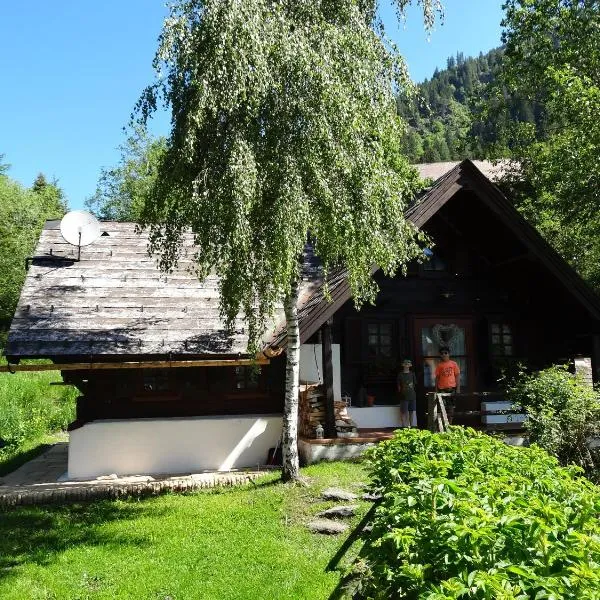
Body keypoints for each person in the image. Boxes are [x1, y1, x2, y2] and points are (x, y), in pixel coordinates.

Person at [434, 346, 461, 424]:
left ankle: (450, 424)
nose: (444, 355)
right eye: (442, 353)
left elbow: (457, 375)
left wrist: (458, 388)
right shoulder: (439, 365)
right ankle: (444, 424)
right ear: (440, 355)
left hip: (452, 388)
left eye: (446, 353)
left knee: (451, 406)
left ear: (449, 354)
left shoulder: (454, 364)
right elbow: (437, 378)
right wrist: (436, 389)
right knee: (443, 407)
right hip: (442, 388)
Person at [397, 358, 418, 428]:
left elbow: (414, 384)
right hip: (403, 396)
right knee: (404, 411)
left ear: (410, 365)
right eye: (405, 363)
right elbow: (399, 386)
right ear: (403, 365)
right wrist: (401, 394)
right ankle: (404, 426)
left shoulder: (412, 374)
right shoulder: (400, 375)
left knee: (411, 411)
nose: (407, 365)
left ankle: (411, 425)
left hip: (412, 395)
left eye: (408, 363)